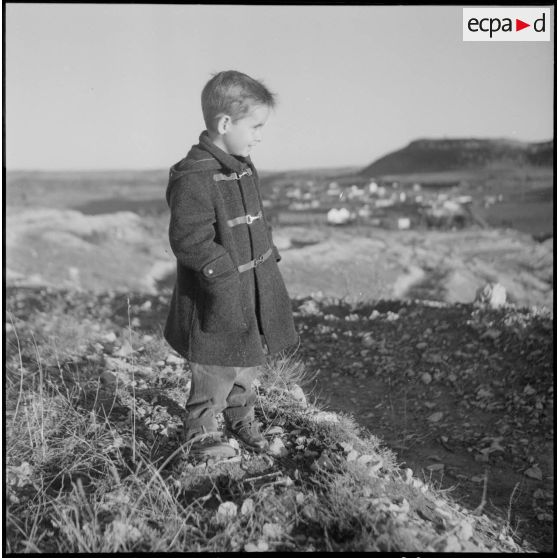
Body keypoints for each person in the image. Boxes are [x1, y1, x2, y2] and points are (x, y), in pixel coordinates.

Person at [164, 70, 299, 460]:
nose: (259, 135)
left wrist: (265, 256)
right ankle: (201, 433)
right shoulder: (194, 176)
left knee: (246, 361)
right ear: (225, 124)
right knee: (215, 366)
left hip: (251, 286)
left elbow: (256, 216)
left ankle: (241, 420)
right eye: (255, 126)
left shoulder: (241, 166)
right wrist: (224, 277)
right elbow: (189, 239)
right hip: (216, 293)